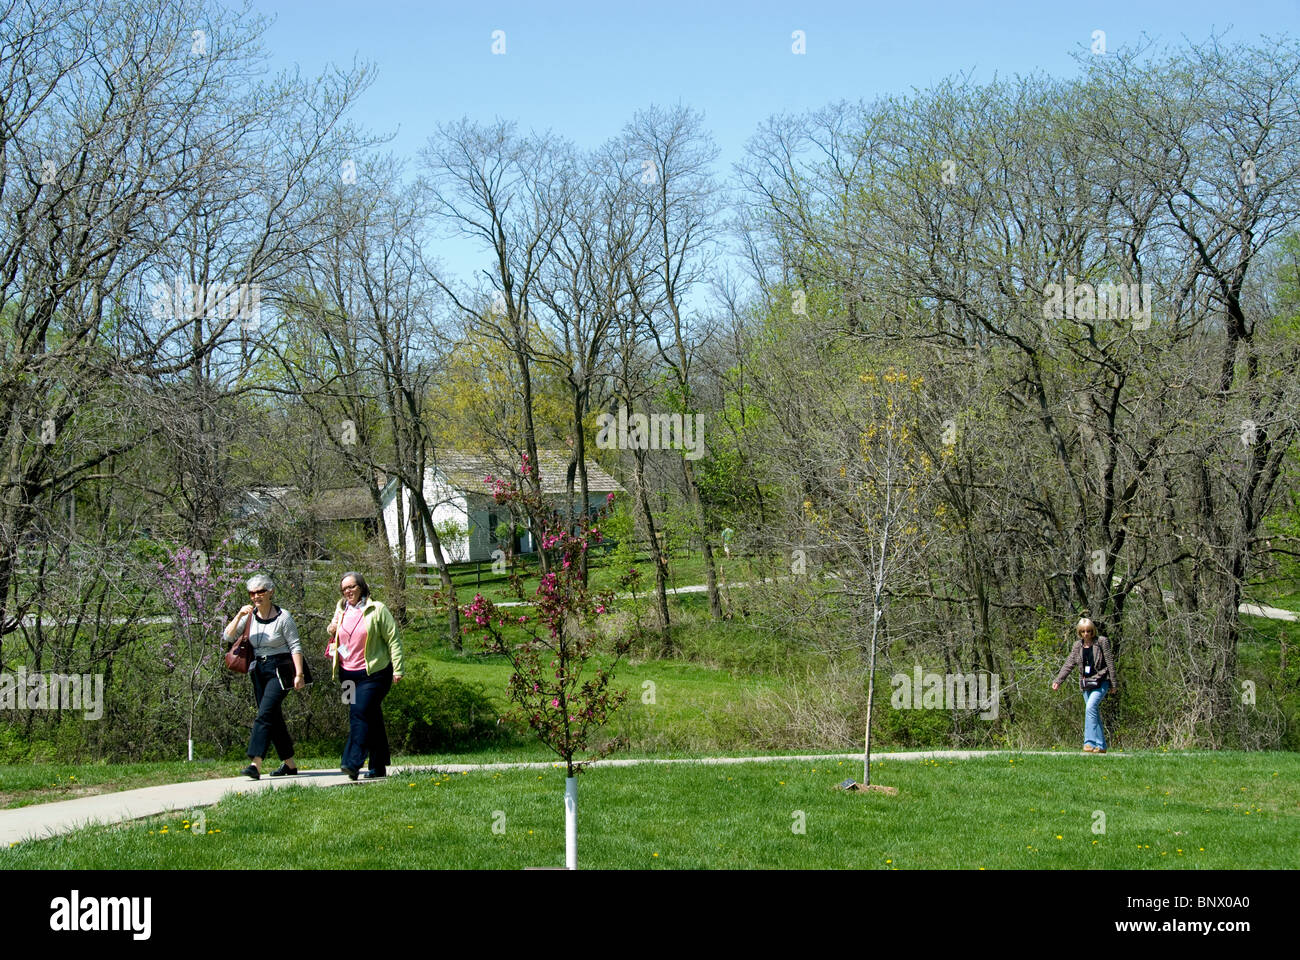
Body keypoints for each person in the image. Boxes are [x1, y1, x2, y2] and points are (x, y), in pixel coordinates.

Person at [224, 574, 305, 779]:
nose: (256, 596)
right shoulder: (249, 616)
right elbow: (228, 636)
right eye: (252, 593)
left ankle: (255, 762)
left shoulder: (283, 617)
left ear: (271, 592)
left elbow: (295, 646)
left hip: (281, 669)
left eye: (260, 591)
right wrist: (239, 616)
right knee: (273, 716)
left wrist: (299, 674)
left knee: (265, 714)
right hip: (258, 669)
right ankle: (290, 764)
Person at [326, 572, 403, 780]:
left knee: (360, 712)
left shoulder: (377, 609)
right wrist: (331, 628)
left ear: (361, 587)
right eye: (344, 589)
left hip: (374, 674)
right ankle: (378, 765)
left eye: (352, 587)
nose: (348, 591)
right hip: (346, 675)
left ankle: (352, 762)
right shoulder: (341, 609)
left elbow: (393, 639)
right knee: (368, 716)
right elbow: (335, 631)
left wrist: (398, 668)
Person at [1052, 617, 1117, 753]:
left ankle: (1089, 742)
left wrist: (1113, 684)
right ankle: (1101, 746)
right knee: (1093, 712)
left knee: (1090, 707)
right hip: (1086, 684)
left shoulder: (1102, 642)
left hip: (1101, 681)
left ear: (1093, 631)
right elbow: (1069, 663)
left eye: (1088, 631)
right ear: (1079, 632)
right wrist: (1058, 681)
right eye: (1083, 631)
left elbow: (1110, 662)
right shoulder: (1077, 646)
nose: (1086, 634)